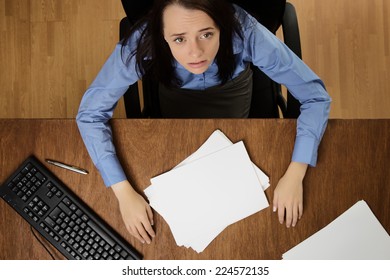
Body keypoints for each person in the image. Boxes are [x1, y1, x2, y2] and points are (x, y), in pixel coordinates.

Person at [76, 0, 331, 245]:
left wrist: (297, 172)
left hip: (234, 95)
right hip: (174, 101)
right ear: (162, 34)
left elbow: (316, 97)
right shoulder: (143, 40)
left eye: (207, 34)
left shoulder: (245, 29)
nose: (195, 53)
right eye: (179, 39)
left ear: (221, 24)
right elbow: (89, 114)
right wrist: (122, 192)